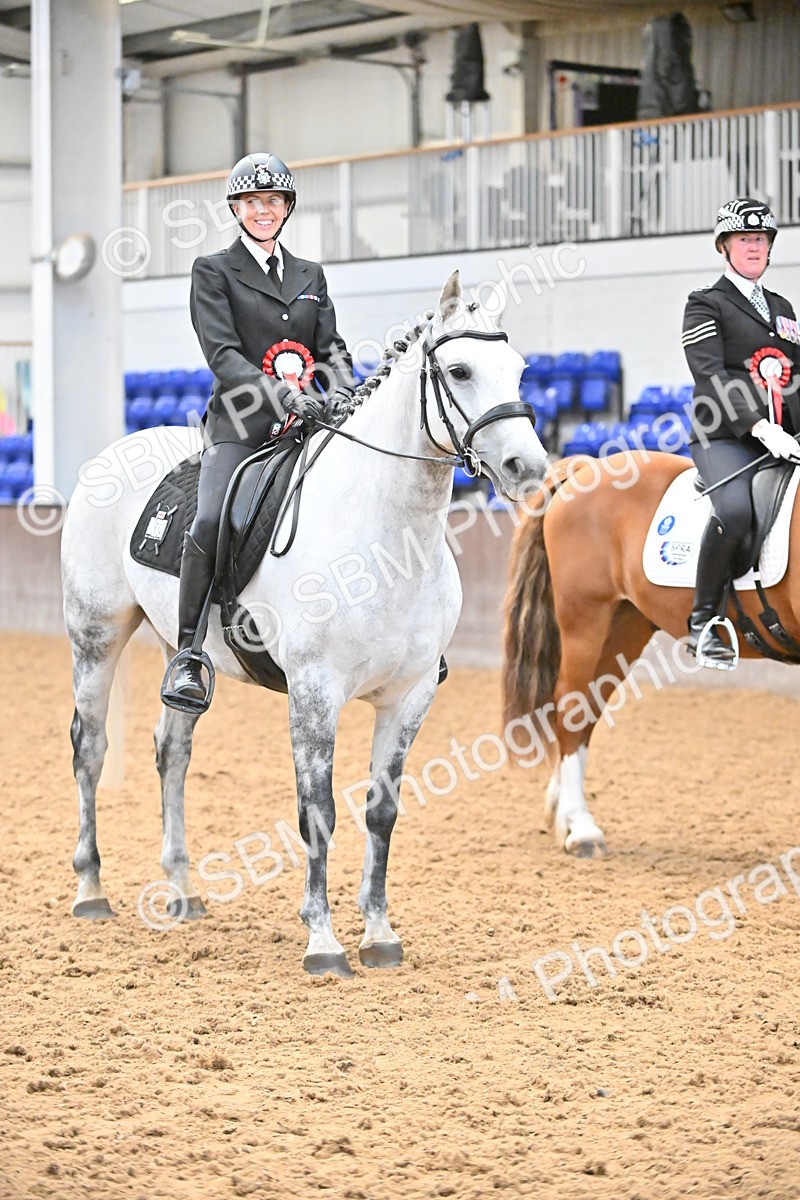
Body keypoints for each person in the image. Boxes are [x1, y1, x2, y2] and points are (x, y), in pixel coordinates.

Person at [163, 152, 354, 708]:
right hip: (242, 423)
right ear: (237, 209)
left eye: (273, 201)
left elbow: (331, 348)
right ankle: (188, 653)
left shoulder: (310, 275)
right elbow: (222, 355)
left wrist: (343, 390)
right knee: (209, 515)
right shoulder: (213, 271)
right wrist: (285, 393)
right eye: (253, 202)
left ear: (286, 207)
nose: (263, 210)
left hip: (308, 422)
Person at [682, 197, 800, 667]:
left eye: (761, 240)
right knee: (732, 510)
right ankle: (703, 623)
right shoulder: (705, 304)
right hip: (725, 437)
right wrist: (757, 426)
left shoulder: (782, 307)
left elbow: (795, 376)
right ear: (725, 246)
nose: (754, 247)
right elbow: (711, 375)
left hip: (785, 438)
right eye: (744, 239)